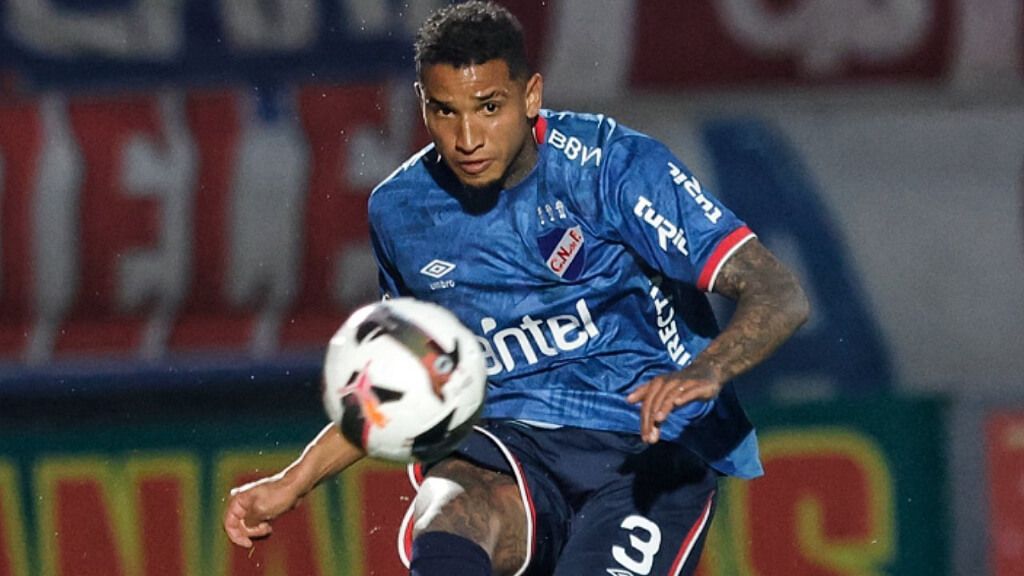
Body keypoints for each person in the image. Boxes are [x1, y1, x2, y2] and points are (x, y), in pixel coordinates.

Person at [223, 2, 809, 575]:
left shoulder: (610, 168)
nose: (467, 136)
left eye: (488, 106)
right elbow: (404, 377)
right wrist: (293, 481)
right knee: (447, 510)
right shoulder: (402, 212)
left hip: (649, 450)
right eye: (444, 111)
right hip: (508, 442)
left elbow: (779, 291)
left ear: (530, 96)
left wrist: (708, 370)